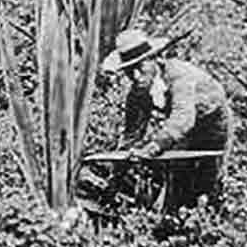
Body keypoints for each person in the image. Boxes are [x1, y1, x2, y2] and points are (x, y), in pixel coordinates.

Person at [99, 28, 232, 211]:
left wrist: (152, 148)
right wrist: (116, 177)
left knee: (209, 181)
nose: (136, 76)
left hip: (212, 123)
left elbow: (183, 119)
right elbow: (131, 135)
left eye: (140, 67)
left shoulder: (180, 77)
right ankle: (174, 221)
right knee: (177, 176)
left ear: (155, 59)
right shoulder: (138, 94)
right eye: (129, 71)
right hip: (186, 131)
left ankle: (213, 219)